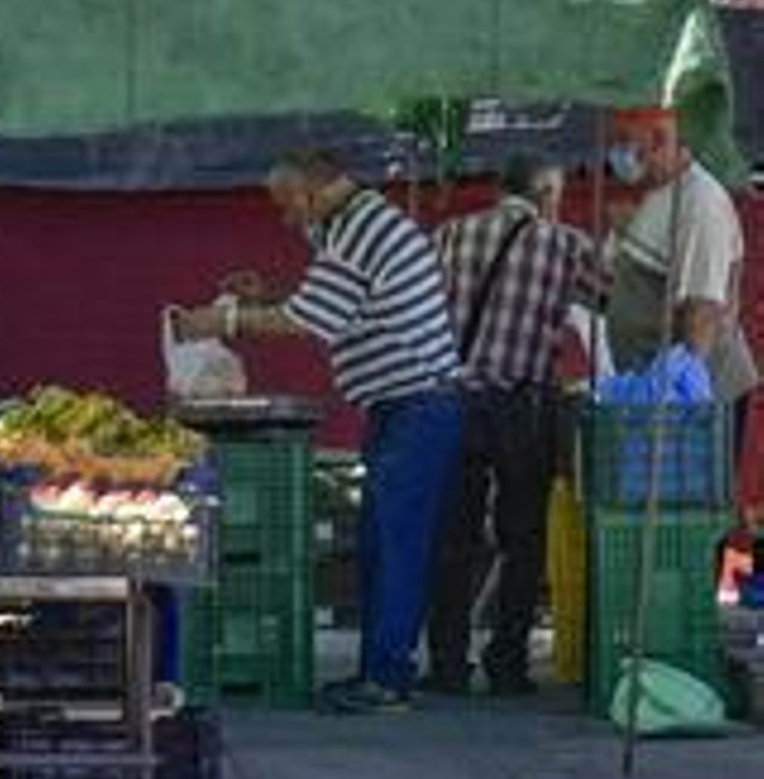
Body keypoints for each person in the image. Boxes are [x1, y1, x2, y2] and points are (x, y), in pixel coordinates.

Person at [174, 149, 463, 714]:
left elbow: (308, 319)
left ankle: (385, 681)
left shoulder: (360, 232)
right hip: (404, 406)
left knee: (394, 546)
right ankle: (380, 673)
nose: (287, 220)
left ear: (314, 191)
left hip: (418, 405)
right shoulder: (353, 225)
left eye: (289, 206)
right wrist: (263, 298)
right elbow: (327, 302)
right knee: (384, 543)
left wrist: (224, 321)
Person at [424, 154, 602, 696]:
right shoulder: (566, 244)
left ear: (502, 188)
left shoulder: (450, 235)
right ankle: (507, 663)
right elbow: (613, 298)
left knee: (453, 537)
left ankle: (448, 664)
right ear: (545, 191)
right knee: (522, 538)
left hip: (454, 399)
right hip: (522, 406)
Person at [604, 106, 758, 425]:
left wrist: (684, 407)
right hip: (651, 392)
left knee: (697, 477)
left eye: (624, 142)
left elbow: (703, 311)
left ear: (660, 140)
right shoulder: (655, 190)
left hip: (697, 402)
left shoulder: (699, 204)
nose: (616, 154)